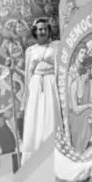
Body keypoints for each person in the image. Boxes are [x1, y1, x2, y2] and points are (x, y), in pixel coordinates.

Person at [20, 18, 62, 162]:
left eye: (45, 29)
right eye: (39, 29)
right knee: (35, 118)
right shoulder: (30, 51)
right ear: (35, 32)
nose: (42, 31)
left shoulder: (56, 46)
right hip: (36, 85)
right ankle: (34, 156)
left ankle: (54, 153)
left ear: (49, 30)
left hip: (51, 83)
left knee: (51, 116)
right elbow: (28, 73)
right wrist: (27, 94)